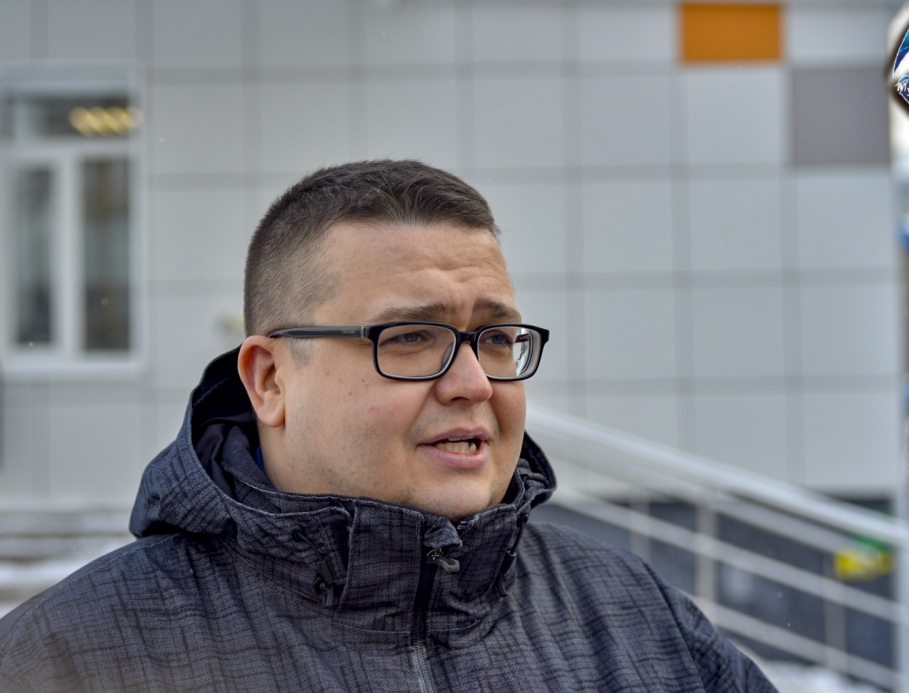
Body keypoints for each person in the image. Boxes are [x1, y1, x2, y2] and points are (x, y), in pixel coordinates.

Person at [0, 160, 775, 692]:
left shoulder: (632, 619)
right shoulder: (75, 655)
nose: (473, 383)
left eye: (496, 337)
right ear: (270, 380)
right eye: (410, 337)